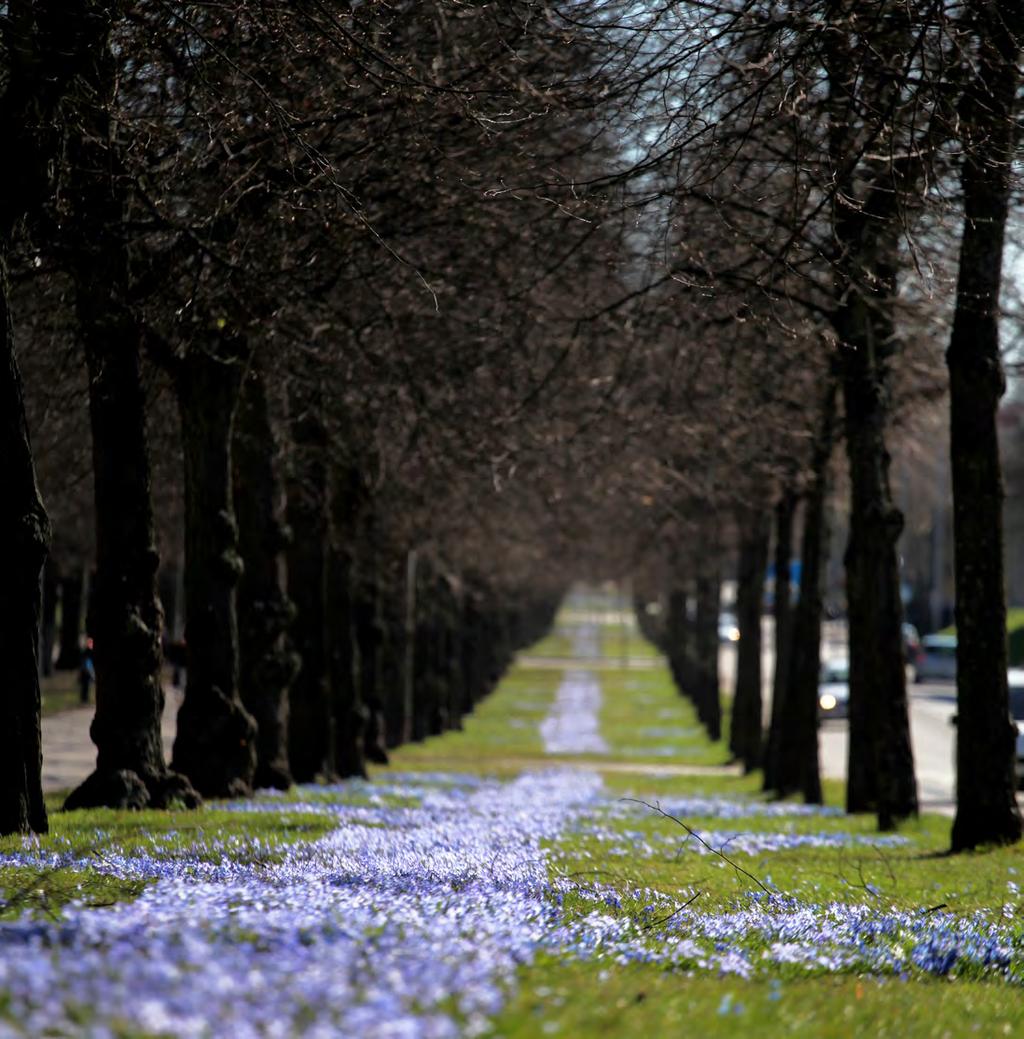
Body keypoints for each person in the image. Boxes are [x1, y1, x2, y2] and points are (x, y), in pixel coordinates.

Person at [78, 637, 95, 704]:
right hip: (85, 671)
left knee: (86, 686)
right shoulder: (86, 652)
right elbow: (86, 662)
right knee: (85, 686)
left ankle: (85, 699)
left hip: (87, 671)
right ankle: (84, 699)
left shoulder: (89, 652)